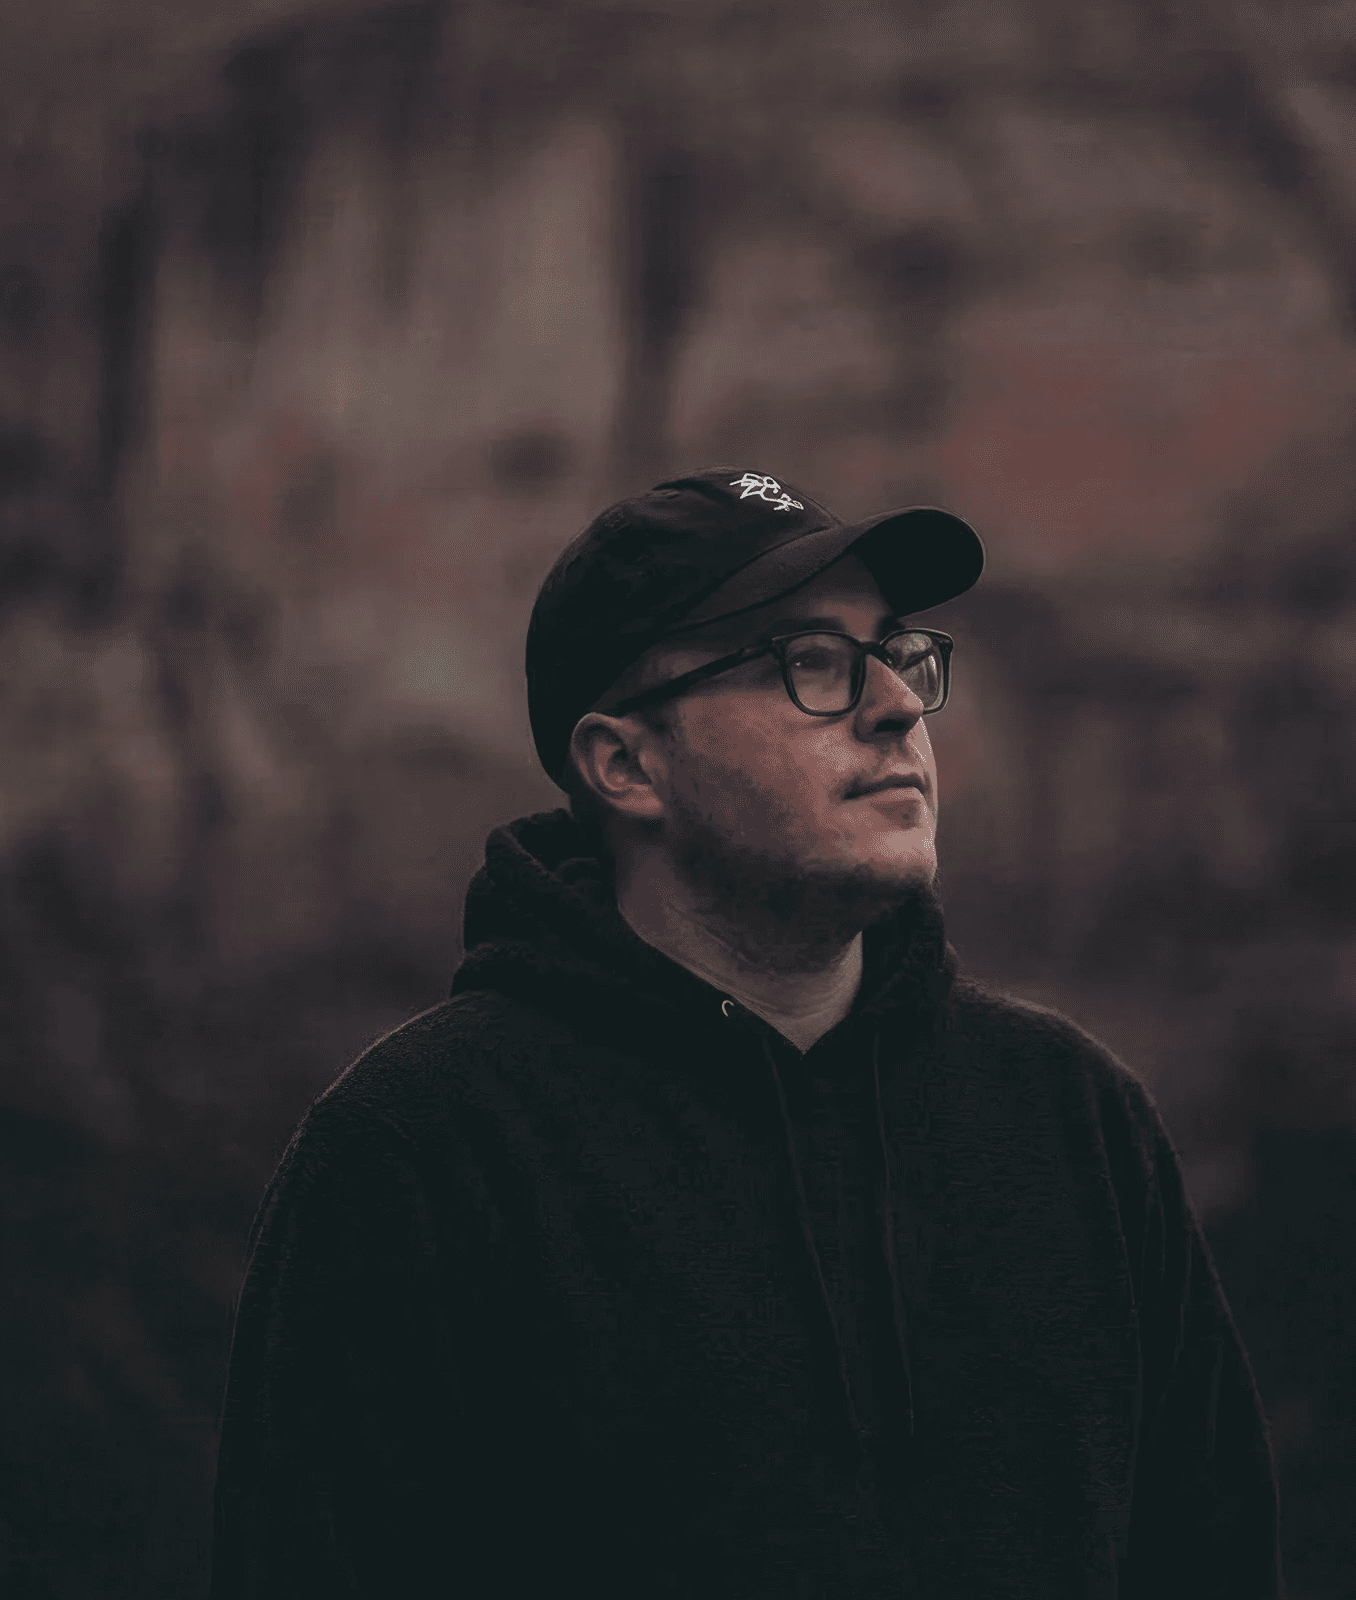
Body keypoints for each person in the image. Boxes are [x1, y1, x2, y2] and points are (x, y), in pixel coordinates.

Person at [210, 468, 1283, 1598]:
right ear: (626, 764)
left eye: (896, 653)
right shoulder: (419, 1148)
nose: (897, 705)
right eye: (810, 660)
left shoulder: (1075, 1118)